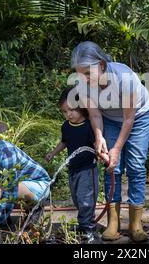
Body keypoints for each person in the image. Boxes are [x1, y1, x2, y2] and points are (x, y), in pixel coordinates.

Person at [71, 41, 149, 242]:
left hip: (138, 117)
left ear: (101, 65)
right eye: (79, 73)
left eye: (87, 73)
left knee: (135, 166)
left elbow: (129, 119)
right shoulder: (82, 85)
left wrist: (117, 148)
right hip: (108, 118)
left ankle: (136, 224)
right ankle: (113, 223)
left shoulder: (124, 78)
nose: (83, 78)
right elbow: (95, 115)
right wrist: (99, 138)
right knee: (111, 167)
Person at [45, 87, 100, 243]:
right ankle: (86, 224)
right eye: (64, 111)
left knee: (85, 200)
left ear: (81, 107)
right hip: (73, 169)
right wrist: (52, 153)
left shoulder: (89, 125)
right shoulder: (66, 126)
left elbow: (96, 142)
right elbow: (64, 142)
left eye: (72, 110)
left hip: (88, 169)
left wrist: (101, 152)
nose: (68, 114)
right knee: (77, 199)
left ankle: (88, 228)